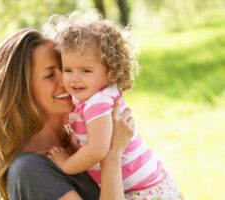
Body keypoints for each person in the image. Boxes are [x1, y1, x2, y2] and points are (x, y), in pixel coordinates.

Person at [0, 27, 136, 200]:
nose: (67, 80)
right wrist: (111, 155)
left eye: (65, 68)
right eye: (49, 75)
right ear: (20, 93)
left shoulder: (80, 139)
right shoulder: (30, 171)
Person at [44, 12, 183, 199]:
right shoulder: (95, 97)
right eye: (68, 70)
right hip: (151, 183)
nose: (74, 78)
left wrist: (65, 164)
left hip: (143, 192)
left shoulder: (97, 104)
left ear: (111, 71)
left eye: (86, 70)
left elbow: (97, 150)